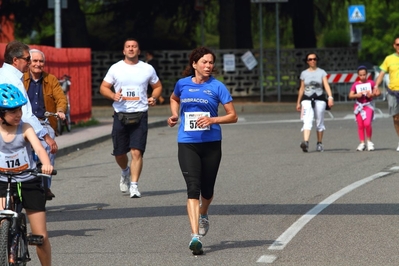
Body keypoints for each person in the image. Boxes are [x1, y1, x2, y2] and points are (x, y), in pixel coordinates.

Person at [167, 47, 238, 255]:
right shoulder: (183, 84)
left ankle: (204, 213)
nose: (208, 66)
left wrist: (212, 119)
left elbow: (233, 116)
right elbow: (174, 98)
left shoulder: (217, 87)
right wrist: (174, 115)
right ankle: (195, 236)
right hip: (187, 142)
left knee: (207, 190)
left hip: (211, 143)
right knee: (192, 187)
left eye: (211, 63)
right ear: (194, 64)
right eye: (205, 62)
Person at [99, 38, 162, 198]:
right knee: (120, 153)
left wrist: (153, 97)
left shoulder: (147, 68)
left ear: (138, 51)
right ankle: (125, 171)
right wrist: (113, 95)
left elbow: (157, 86)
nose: (131, 49)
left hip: (140, 114)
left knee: (136, 152)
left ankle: (134, 185)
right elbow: (103, 88)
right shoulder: (116, 68)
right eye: (128, 46)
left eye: (134, 46)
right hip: (120, 115)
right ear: (124, 51)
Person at [0, 83, 53, 266]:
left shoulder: (26, 127)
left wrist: (46, 164)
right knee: (2, 222)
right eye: (12, 111)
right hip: (3, 182)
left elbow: (39, 148)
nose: (18, 114)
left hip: (28, 180)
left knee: (41, 236)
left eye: (20, 110)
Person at [0, 41, 57, 159]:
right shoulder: (14, 81)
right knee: (45, 151)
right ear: (15, 60)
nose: (30, 62)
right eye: (27, 59)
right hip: (13, 131)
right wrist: (46, 137)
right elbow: (25, 114)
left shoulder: (5, 74)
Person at [23, 49, 67, 200]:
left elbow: (61, 98)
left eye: (41, 61)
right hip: (23, 122)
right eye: (35, 61)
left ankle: (46, 187)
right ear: (29, 62)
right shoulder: (21, 79)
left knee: (49, 147)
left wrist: (60, 110)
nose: (38, 64)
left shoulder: (51, 79)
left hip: (44, 122)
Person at [296, 52, 334, 152]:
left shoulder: (322, 72)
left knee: (319, 121)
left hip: (319, 98)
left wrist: (330, 97)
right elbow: (301, 88)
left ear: (317, 60)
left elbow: (326, 85)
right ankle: (306, 142)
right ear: (307, 61)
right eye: (310, 59)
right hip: (307, 99)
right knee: (307, 120)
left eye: (314, 59)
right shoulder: (304, 73)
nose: (312, 61)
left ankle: (319, 143)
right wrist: (298, 102)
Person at [374, 36, 399, 151]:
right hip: (393, 92)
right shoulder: (389, 59)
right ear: (394, 46)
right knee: (396, 118)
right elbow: (381, 74)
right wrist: (375, 86)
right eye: (397, 44)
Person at [348, 66, 381, 151]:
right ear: (358, 75)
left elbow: (378, 93)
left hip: (368, 105)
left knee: (367, 123)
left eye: (364, 75)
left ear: (367, 74)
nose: (362, 77)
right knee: (360, 125)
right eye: (360, 75)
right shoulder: (356, 84)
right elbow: (350, 95)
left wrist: (372, 95)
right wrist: (356, 95)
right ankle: (362, 143)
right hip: (359, 106)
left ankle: (369, 141)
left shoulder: (371, 83)